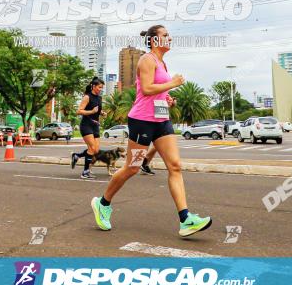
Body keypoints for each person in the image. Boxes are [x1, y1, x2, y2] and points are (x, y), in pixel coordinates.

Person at [91, 25, 212, 237]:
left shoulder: (162, 62)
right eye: (165, 35)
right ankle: (102, 203)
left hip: (161, 121)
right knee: (133, 167)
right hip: (142, 122)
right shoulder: (146, 60)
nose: (170, 38)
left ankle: (186, 220)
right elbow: (146, 89)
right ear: (155, 40)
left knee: (175, 166)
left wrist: (167, 99)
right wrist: (173, 83)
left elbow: (156, 92)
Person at [71, 77, 104, 179]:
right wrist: (92, 112)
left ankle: (77, 155)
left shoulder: (99, 98)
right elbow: (79, 111)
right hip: (86, 125)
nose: (101, 89)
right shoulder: (87, 97)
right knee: (92, 148)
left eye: (102, 87)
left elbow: (97, 110)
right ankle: (85, 172)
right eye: (99, 87)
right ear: (93, 86)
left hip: (95, 125)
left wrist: (101, 113)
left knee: (96, 150)